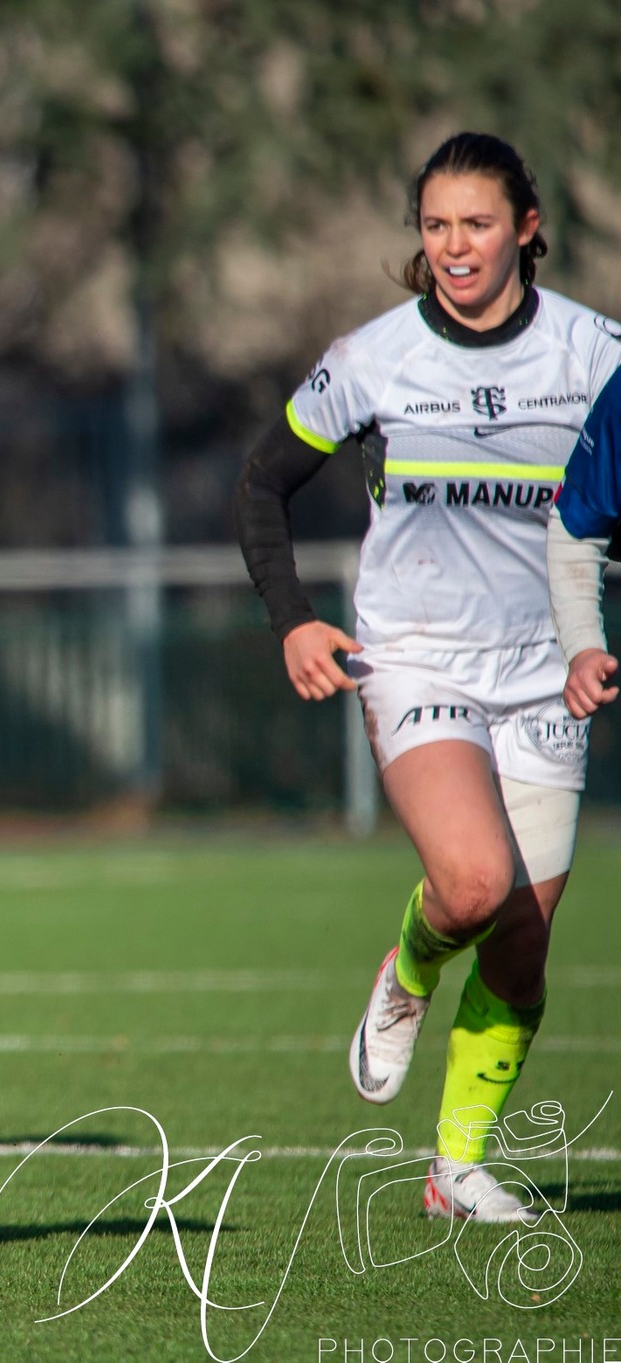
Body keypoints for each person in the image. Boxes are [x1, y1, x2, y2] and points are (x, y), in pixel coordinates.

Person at [234, 132, 618, 1225]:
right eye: (436, 224)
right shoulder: (373, 356)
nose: (453, 245)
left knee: (524, 944)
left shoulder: (595, 357)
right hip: (413, 657)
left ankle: (455, 1169)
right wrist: (292, 623)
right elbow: (261, 484)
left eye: (477, 223)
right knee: (467, 884)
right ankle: (404, 975)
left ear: (526, 229)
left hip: (544, 674)